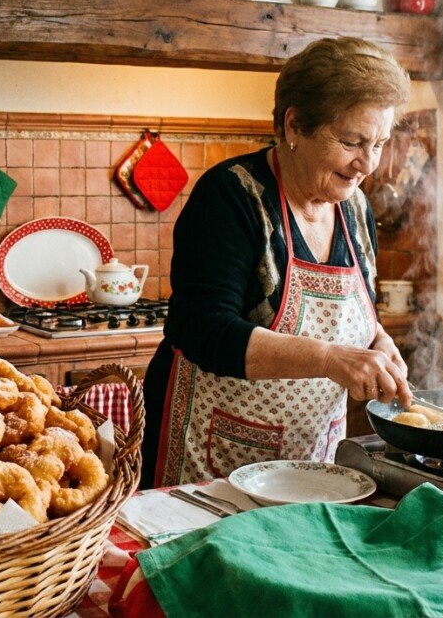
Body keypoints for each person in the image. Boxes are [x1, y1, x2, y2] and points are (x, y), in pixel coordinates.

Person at [145, 37, 414, 488]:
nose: (367, 163)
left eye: (380, 143)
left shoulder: (355, 208)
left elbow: (359, 312)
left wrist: (379, 343)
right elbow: (201, 329)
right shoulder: (232, 196)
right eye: (352, 141)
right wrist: (330, 359)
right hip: (211, 455)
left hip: (310, 456)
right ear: (294, 125)